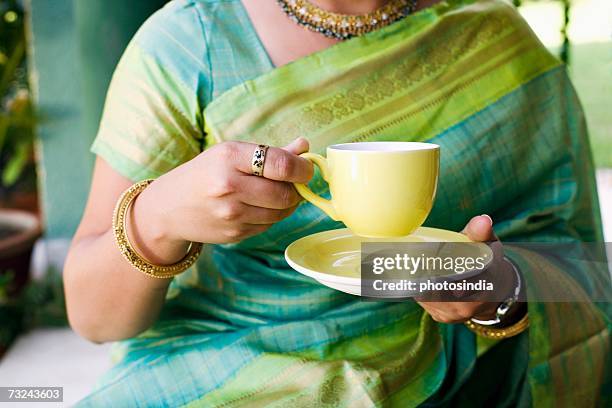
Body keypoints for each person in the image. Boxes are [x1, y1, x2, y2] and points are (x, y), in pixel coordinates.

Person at [63, 0, 610, 406]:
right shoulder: (188, 45)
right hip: (224, 365)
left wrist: (497, 295)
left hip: (456, 376)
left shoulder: (493, 42)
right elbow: (94, 317)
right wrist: (156, 218)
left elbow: (571, 260)